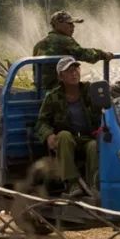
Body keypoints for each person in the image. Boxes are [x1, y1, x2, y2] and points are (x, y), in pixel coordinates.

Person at [34, 57, 102, 198]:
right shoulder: (53, 97)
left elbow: (107, 106)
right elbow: (41, 122)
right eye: (69, 71)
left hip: (87, 137)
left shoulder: (89, 90)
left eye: (76, 69)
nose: (74, 74)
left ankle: (93, 185)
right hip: (67, 140)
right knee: (64, 136)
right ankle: (72, 184)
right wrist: (48, 135)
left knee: (94, 145)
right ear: (60, 76)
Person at [32, 10, 112, 89]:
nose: (73, 27)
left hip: (40, 90)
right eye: (69, 24)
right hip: (59, 89)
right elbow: (85, 55)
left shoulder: (38, 45)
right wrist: (103, 54)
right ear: (58, 24)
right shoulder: (65, 40)